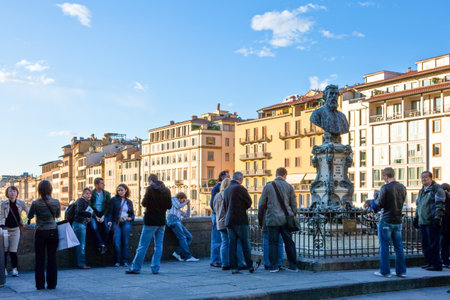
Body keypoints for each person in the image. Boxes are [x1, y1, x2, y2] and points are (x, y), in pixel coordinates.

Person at [364, 167, 407, 278]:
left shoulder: (385, 187)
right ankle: (401, 272)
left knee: (384, 247)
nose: (383, 179)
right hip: (397, 220)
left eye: (383, 176)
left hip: (386, 220)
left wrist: (375, 196)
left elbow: (379, 204)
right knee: (399, 247)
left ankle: (385, 271)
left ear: (385, 176)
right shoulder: (402, 187)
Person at [126, 174, 172, 275]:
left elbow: (144, 203)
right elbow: (169, 206)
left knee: (143, 245)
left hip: (150, 221)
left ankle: (136, 268)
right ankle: (155, 268)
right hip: (161, 221)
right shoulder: (167, 190)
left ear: (150, 181)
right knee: (159, 246)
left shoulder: (150, 189)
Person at [258, 167, 298, 273]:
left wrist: (261, 219)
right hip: (286, 218)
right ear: (285, 175)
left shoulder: (268, 186)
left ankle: (274, 266)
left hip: (272, 219)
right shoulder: (289, 187)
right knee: (289, 242)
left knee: (273, 243)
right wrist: (292, 215)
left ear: (276, 174)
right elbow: (294, 205)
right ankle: (293, 266)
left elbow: (262, 204)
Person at [224, 172, 261, 274]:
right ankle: (250, 266)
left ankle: (234, 267)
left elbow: (225, 206)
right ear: (240, 179)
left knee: (232, 244)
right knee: (245, 243)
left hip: (229, 220)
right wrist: (241, 207)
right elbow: (249, 202)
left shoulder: (226, 190)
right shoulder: (240, 188)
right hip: (240, 219)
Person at [27, 180, 61, 290]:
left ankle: (40, 284)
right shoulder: (56, 202)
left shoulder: (35, 203)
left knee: (39, 259)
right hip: (53, 231)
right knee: (52, 258)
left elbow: (29, 216)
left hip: (40, 231)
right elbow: (57, 215)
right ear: (50, 190)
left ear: (39, 190)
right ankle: (52, 284)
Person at [413, 171, 445, 271]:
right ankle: (430, 262)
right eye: (422, 178)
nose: (423, 179)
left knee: (433, 244)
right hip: (423, 222)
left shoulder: (437, 189)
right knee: (425, 244)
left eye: (426, 177)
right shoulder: (421, 190)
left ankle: (436, 264)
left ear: (431, 178)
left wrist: (437, 218)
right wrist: (416, 218)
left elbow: (440, 205)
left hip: (431, 222)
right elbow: (419, 206)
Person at [213, 178, 247, 271]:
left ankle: (225, 263)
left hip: (219, 222)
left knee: (224, 243)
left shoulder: (217, 196)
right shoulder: (229, 194)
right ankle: (240, 263)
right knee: (238, 242)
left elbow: (214, 208)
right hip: (229, 222)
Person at [1, 186, 29, 277]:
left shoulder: (21, 203)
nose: (12, 193)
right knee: (4, 251)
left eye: (14, 191)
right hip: (5, 229)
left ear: (17, 193)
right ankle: (3, 269)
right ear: (7, 193)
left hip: (16, 229)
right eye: (10, 191)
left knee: (13, 250)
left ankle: (14, 269)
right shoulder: (2, 204)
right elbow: (0, 216)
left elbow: (29, 212)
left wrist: (26, 222)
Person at [107, 184, 135, 267]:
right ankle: (117, 261)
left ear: (126, 190)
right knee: (117, 242)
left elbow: (132, 214)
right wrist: (109, 221)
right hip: (116, 222)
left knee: (125, 242)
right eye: (119, 190)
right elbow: (110, 213)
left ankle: (125, 261)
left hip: (126, 222)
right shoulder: (113, 200)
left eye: (122, 190)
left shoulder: (129, 202)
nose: (120, 192)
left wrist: (130, 218)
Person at [166, 192, 199, 262]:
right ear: (179, 198)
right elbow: (178, 205)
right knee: (183, 237)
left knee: (189, 237)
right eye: (183, 200)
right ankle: (188, 256)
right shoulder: (173, 199)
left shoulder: (178, 210)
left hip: (178, 221)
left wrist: (188, 206)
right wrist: (185, 202)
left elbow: (187, 215)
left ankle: (177, 253)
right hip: (173, 220)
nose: (184, 202)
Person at [209, 170, 230, 268]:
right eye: (228, 177)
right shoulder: (217, 188)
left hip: (218, 216)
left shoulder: (217, 189)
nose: (230, 179)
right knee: (217, 240)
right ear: (222, 178)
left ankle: (219, 260)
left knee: (221, 240)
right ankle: (215, 260)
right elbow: (212, 204)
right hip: (218, 216)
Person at [72, 188, 94, 269]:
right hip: (79, 224)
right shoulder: (81, 201)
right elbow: (78, 211)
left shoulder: (85, 202)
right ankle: (81, 263)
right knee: (81, 244)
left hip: (80, 224)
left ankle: (79, 263)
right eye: (87, 193)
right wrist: (88, 214)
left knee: (80, 244)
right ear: (83, 194)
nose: (89, 195)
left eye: (90, 194)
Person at [89, 177, 111, 254]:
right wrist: (95, 216)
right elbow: (89, 207)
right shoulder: (91, 194)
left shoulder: (107, 194)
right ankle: (101, 244)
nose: (104, 185)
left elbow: (108, 207)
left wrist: (103, 216)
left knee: (106, 227)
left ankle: (103, 244)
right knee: (94, 227)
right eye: (102, 183)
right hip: (94, 213)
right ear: (96, 185)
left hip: (103, 213)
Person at [440, 183, 450, 268]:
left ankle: (446, 261)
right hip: (445, 226)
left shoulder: (446, 200)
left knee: (444, 244)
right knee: (444, 244)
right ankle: (446, 260)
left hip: (446, 226)